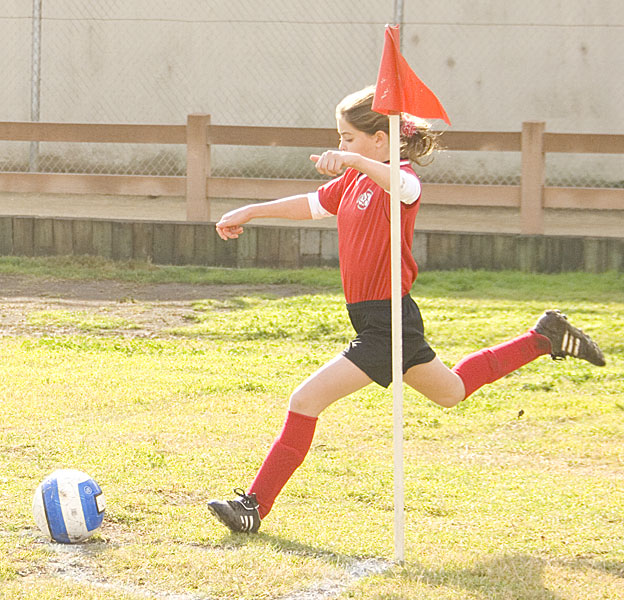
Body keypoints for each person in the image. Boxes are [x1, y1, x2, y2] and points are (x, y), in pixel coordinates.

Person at [207, 86, 605, 534]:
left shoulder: (401, 180)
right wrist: (250, 211)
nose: (341, 146)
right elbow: (311, 205)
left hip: (388, 323)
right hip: (380, 319)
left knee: (305, 401)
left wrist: (354, 160)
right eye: (340, 138)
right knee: (451, 391)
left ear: (381, 139)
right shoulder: (353, 180)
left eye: (348, 138)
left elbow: (405, 185)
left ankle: (253, 507)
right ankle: (544, 338)